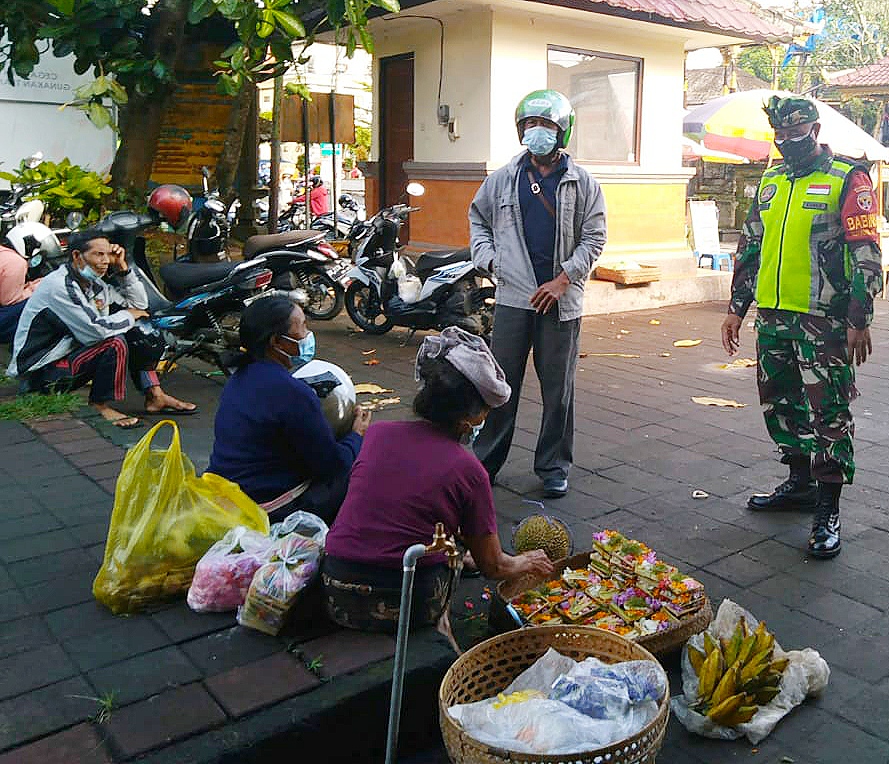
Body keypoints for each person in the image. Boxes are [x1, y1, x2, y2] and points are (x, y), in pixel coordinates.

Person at [721, 95, 883, 559]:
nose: (788, 141)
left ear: (814, 130)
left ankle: (828, 508)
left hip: (824, 322)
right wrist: (737, 307)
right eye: (781, 134)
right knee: (781, 404)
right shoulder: (771, 182)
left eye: (796, 132)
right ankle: (799, 483)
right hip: (772, 319)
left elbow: (866, 252)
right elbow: (751, 247)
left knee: (829, 415)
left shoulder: (847, 178)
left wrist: (859, 317)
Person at [323, 326, 554, 633]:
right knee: (463, 537)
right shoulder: (469, 471)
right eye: (483, 412)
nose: (483, 420)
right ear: (465, 420)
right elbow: (495, 566)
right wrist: (526, 561)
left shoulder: (377, 434)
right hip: (403, 600)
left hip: (335, 587)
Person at [468, 89, 607, 498]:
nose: (537, 133)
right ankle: (486, 460)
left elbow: (594, 239)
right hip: (513, 299)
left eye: (546, 125)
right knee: (499, 384)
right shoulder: (502, 180)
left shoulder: (582, 184)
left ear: (562, 132)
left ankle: (553, 466)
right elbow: (478, 219)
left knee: (557, 388)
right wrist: (490, 261)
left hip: (560, 303)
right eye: (530, 125)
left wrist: (564, 279)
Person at [6, 229, 196, 428]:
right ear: (77, 256)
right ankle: (100, 405)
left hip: (67, 356)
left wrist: (123, 269)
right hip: (40, 374)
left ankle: (155, 395)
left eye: (108, 254)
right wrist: (128, 315)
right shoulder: (60, 286)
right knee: (114, 342)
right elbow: (96, 330)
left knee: (140, 330)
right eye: (99, 254)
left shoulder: (93, 285)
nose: (106, 261)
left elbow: (140, 305)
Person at [207, 296, 371, 522]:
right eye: (302, 327)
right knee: (362, 468)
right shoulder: (293, 393)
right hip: (268, 507)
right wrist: (357, 434)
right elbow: (333, 465)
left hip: (226, 494)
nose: (307, 335)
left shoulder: (239, 377)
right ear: (277, 342)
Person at [0, 222, 57, 344]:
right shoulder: (16, 262)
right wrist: (36, 286)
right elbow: (9, 300)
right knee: (38, 300)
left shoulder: (3, 253)